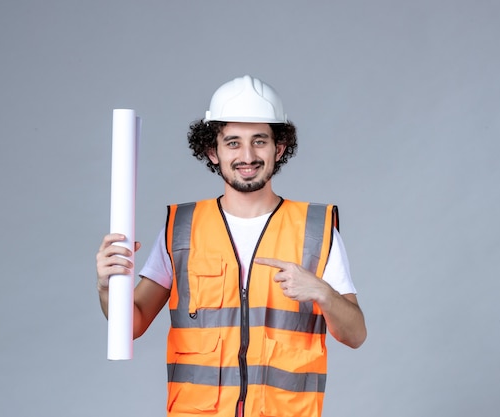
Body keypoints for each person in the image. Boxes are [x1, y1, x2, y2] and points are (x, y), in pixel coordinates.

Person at [96, 75, 367, 417]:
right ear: (213, 151)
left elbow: (356, 334)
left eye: (260, 141)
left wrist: (323, 293)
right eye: (233, 142)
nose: (248, 155)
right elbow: (130, 326)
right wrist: (108, 287)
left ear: (278, 148)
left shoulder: (314, 228)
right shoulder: (183, 228)